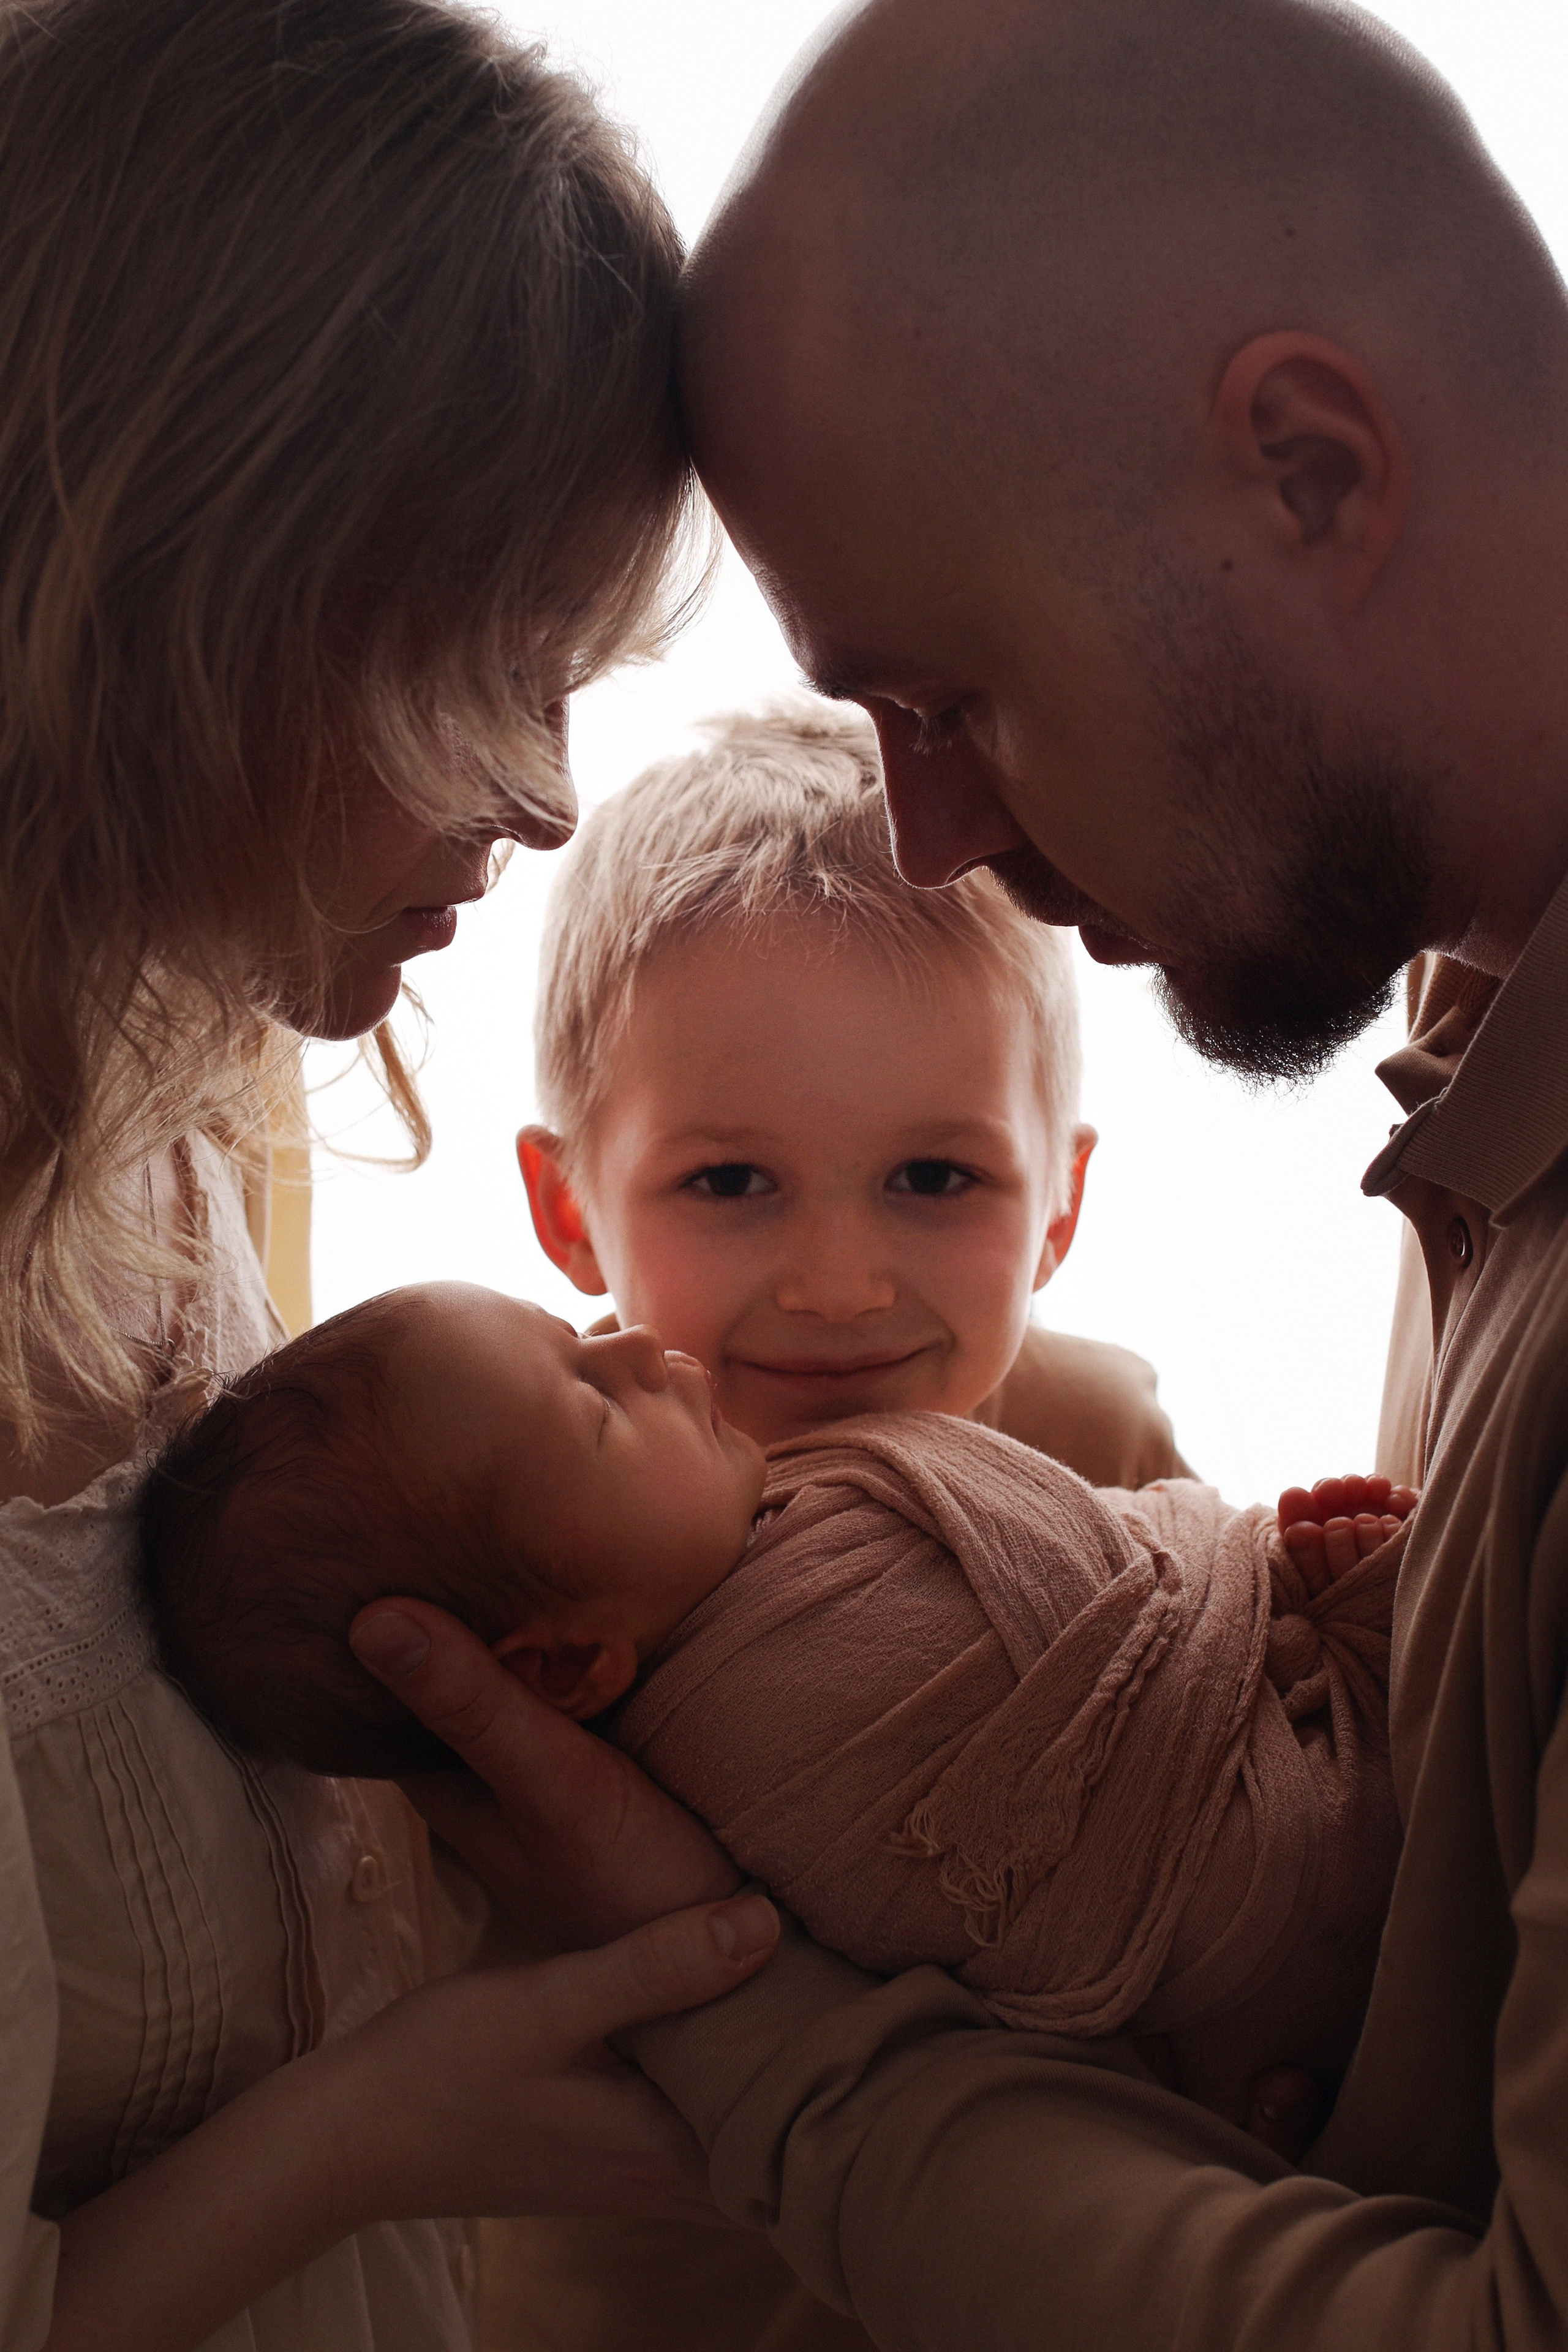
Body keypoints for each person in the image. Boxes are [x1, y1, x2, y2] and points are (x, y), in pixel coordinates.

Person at [341, 1, 1568, 2346]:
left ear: (1307, 466)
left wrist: (741, 2011)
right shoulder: (1480, 1049)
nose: (930, 837)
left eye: (956, 696)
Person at [0, 6, 785, 2350]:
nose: (548, 800)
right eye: (491, 659)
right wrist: (399, 2118)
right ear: (201, 590)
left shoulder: (189, 1085)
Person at [138, 1278, 1412, 2132]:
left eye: (583, 1334)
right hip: (1301, 1898)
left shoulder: (789, 1511)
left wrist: (1248, 1578)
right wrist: (1296, 1624)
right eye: (591, 1400)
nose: (635, 1346)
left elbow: (1115, 1588)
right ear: (555, 1670)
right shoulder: (764, 1722)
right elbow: (1113, 1788)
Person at [518, 701, 1184, 1485]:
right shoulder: (538, 1496)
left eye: (933, 1178)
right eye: (730, 1182)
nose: (839, 1292)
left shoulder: (1096, 1447)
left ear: (1059, 1204)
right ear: (572, 1210)